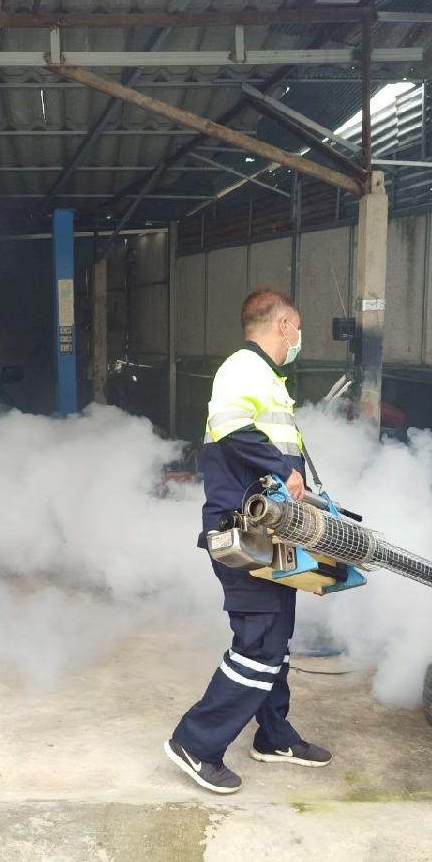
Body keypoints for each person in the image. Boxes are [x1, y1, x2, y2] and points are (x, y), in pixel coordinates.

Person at [164, 288, 332, 794]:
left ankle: (274, 736)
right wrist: (282, 468)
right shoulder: (243, 368)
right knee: (258, 642)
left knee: (277, 636)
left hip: (272, 532)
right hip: (244, 532)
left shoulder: (270, 380)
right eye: (298, 327)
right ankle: (196, 742)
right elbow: (232, 427)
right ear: (283, 325)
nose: (299, 338)